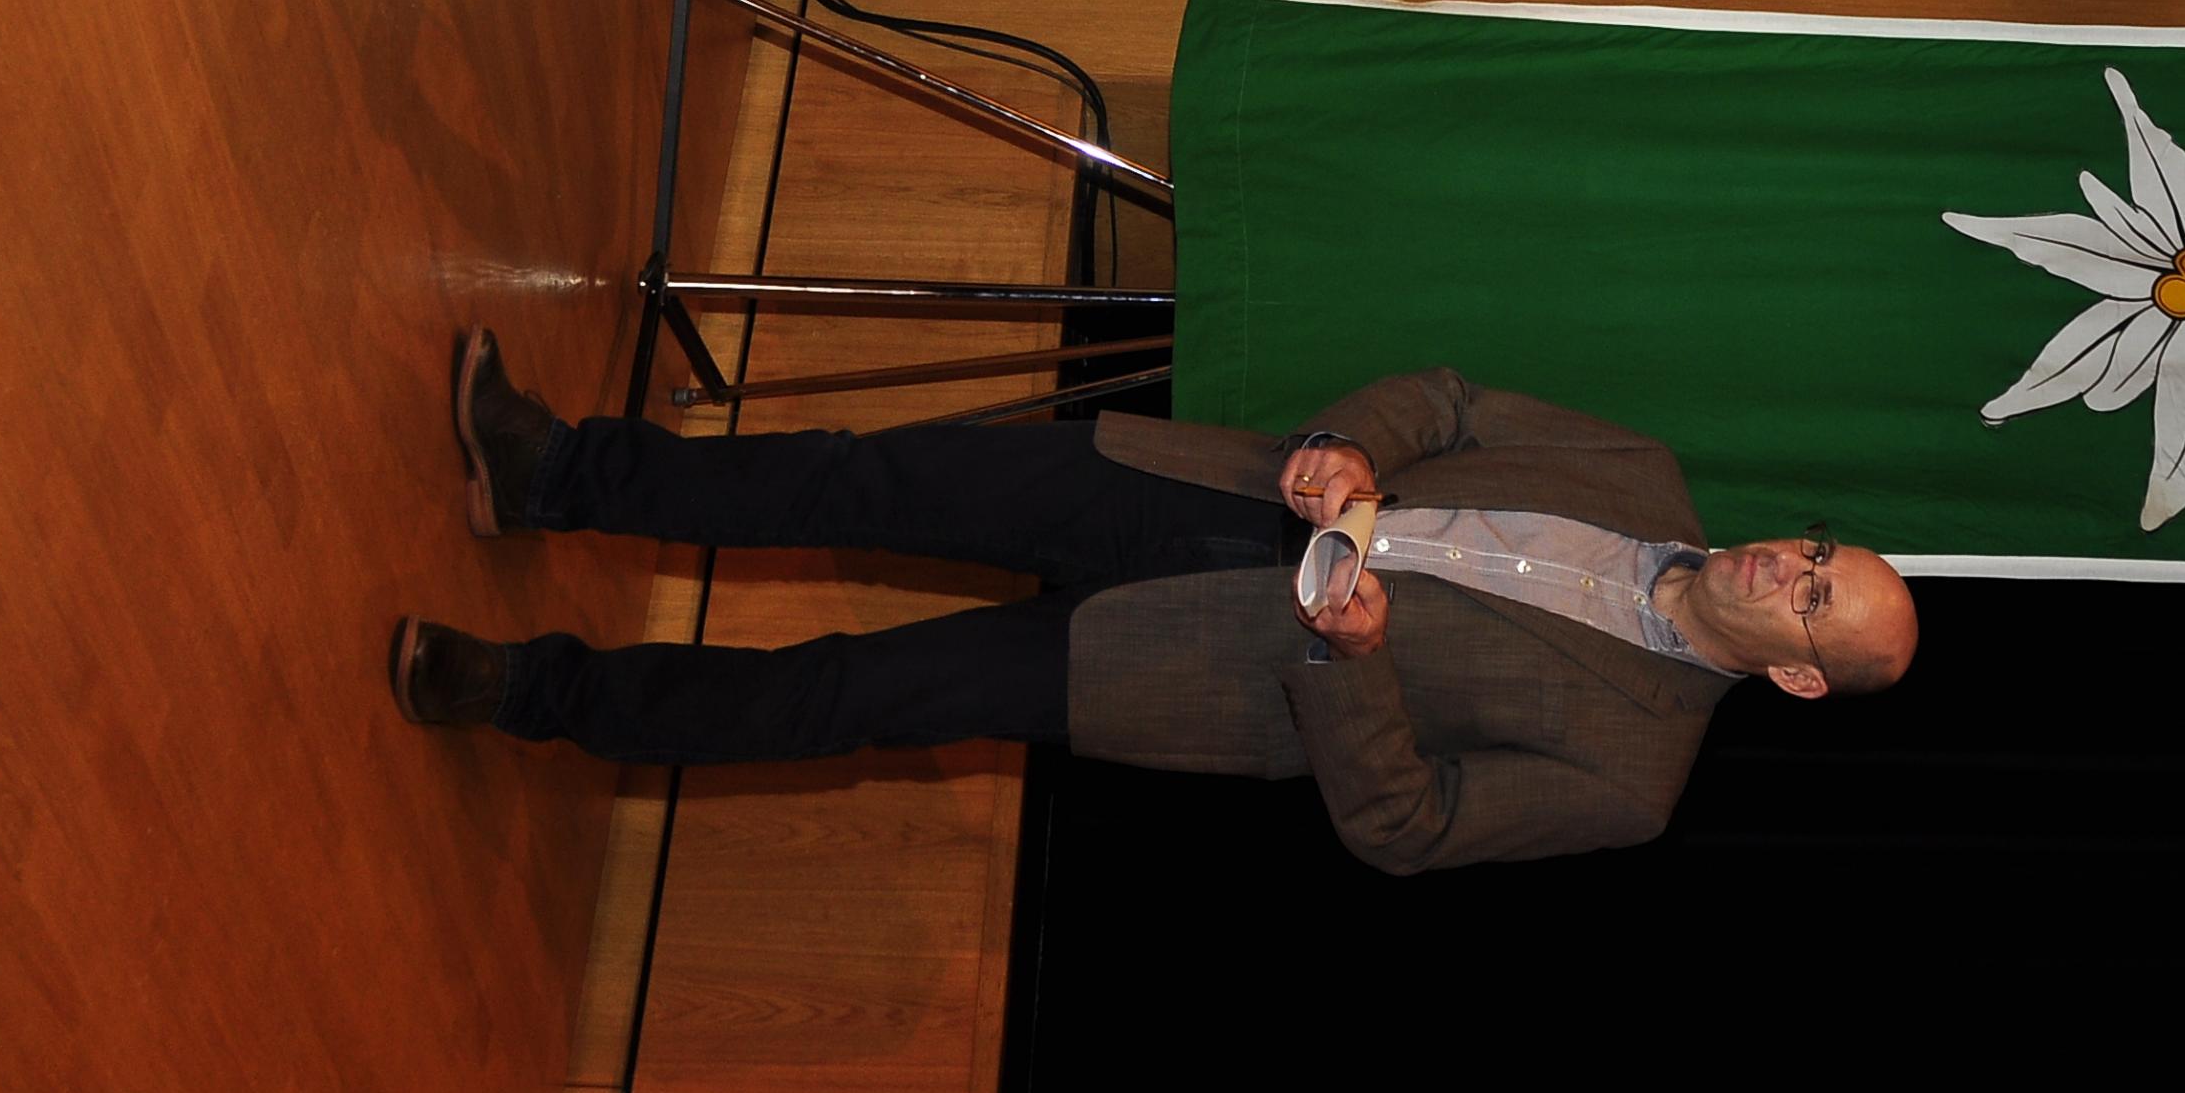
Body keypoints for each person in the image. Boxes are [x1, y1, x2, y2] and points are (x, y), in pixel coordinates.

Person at [392, 339, 1921, 875]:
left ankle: (527, 694)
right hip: (1202, 489)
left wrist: (1358, 662)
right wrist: (1354, 448)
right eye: (1818, 552)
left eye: (1814, 604)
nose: (1786, 568)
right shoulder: (1642, 473)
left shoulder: (1632, 777)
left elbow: (1407, 827)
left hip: (1183, 669)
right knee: (862, 479)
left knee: (844, 690)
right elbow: (1449, 400)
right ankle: (556, 472)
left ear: (1797, 678)